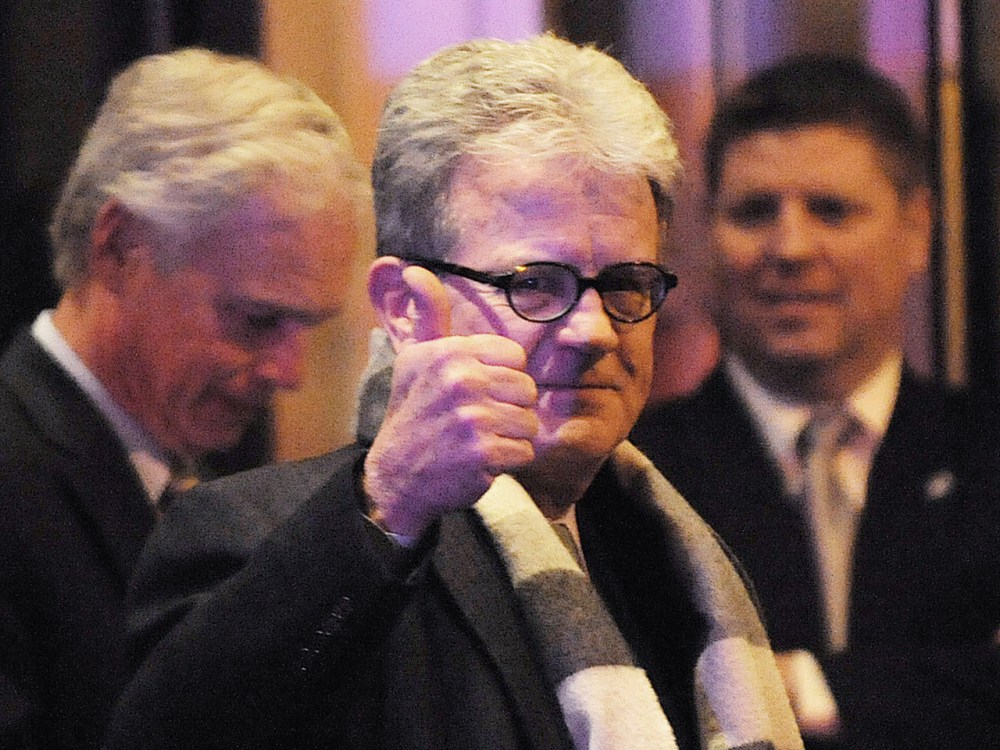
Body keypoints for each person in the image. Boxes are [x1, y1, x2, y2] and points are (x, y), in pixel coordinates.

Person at [105, 35, 803, 750]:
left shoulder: (681, 557)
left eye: (625, 283)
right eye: (533, 283)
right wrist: (387, 505)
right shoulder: (256, 535)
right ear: (405, 307)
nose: (594, 328)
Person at [0, 48, 368, 749]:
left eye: (308, 329)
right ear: (120, 245)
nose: (289, 374)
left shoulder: (201, 490)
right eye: (257, 320)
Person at [631, 55, 1000, 749]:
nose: (791, 246)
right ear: (706, 235)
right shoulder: (633, 481)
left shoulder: (987, 459)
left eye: (831, 210)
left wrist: (794, 687)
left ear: (917, 230)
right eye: (753, 211)